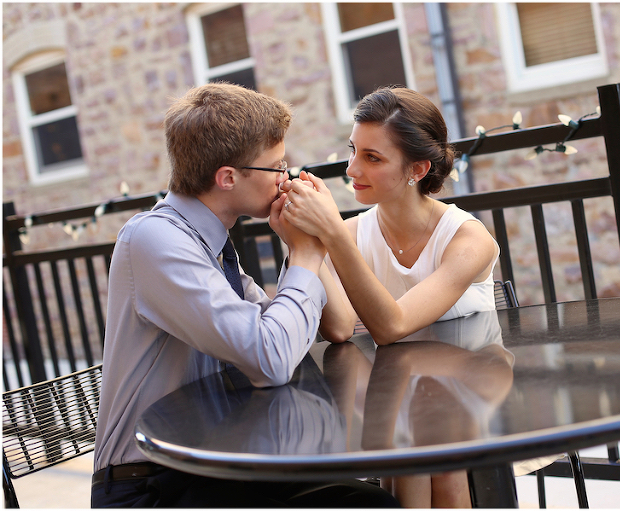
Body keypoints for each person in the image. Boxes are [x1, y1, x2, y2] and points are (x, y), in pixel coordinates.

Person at [91, 82, 398, 508]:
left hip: (218, 467)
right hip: (152, 484)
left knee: (368, 499)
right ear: (228, 178)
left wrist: (306, 243)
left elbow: (338, 327)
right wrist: (306, 256)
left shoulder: (210, 245)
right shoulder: (156, 240)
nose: (286, 177)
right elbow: (270, 360)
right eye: (277, 166)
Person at [280, 86, 500, 507]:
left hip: (469, 381)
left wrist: (331, 234)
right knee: (405, 439)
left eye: (373, 158)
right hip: (395, 391)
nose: (351, 169)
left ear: (417, 169)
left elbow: (391, 327)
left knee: (431, 442)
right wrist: (302, 242)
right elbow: (340, 328)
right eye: (353, 151)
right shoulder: (351, 234)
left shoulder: (468, 239)